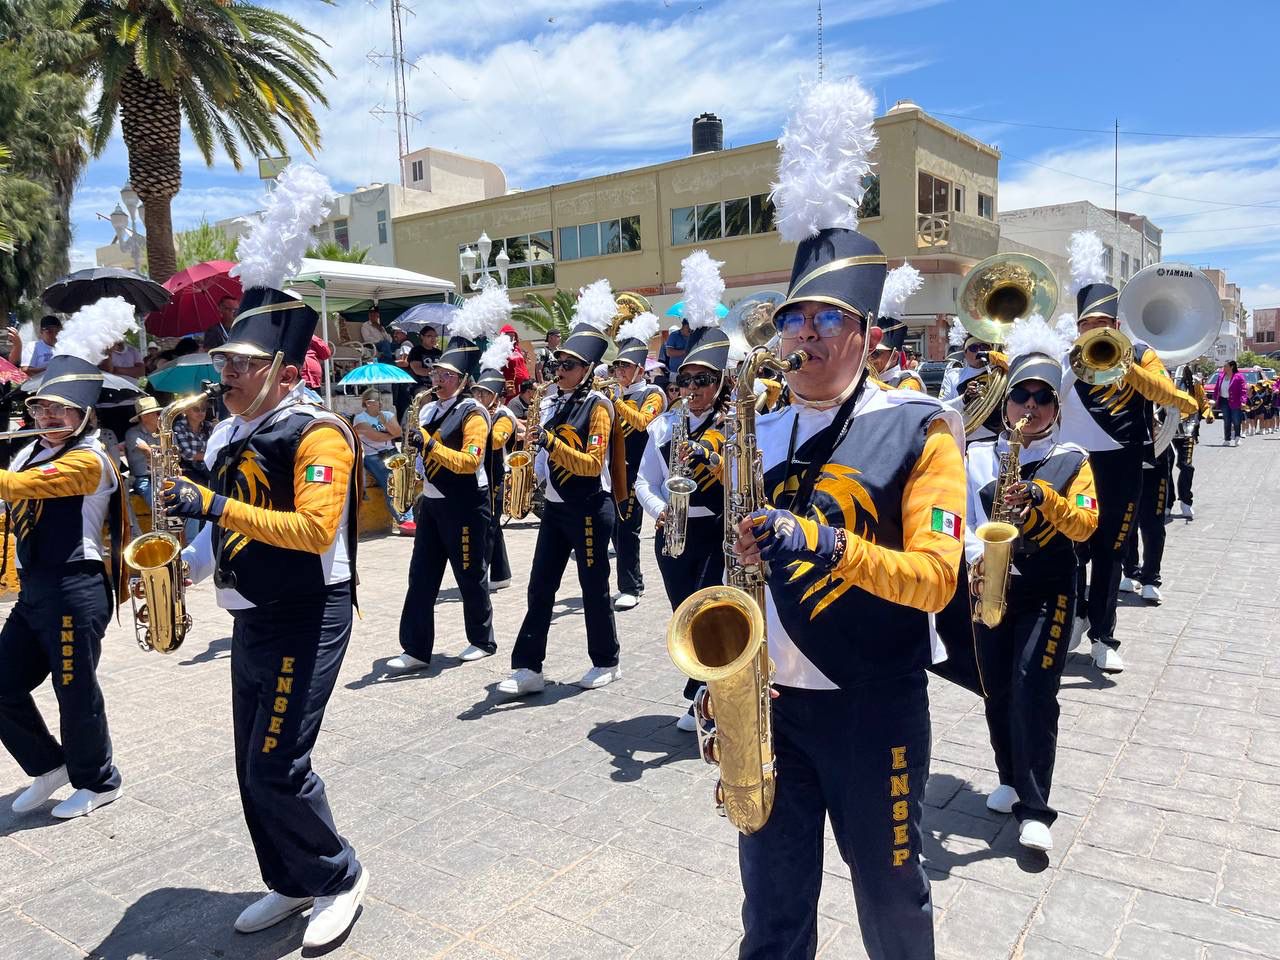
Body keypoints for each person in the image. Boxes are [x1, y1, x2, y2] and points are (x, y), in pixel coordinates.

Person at [728, 78, 965, 960]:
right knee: (771, 913)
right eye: (797, 316)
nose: (809, 334)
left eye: (832, 317)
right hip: (771, 705)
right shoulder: (756, 425)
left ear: (866, 332)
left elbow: (937, 578)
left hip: (873, 705)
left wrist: (825, 543)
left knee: (891, 904)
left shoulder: (917, 425)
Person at [168, 270, 367, 948]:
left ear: (283, 371)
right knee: (249, 762)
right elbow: (217, 527)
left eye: (242, 363)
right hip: (250, 611)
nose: (225, 371)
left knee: (278, 763)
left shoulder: (321, 433)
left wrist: (216, 503)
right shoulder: (227, 434)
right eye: (224, 360)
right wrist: (188, 563)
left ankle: (339, 876)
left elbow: (314, 530)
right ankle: (292, 878)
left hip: (308, 611)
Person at [962, 317, 1098, 853]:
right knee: (996, 687)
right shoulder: (974, 456)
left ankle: (1036, 806)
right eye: (1023, 396)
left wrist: (1043, 498)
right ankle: (1010, 777)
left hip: (1049, 588)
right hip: (989, 584)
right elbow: (953, 519)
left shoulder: (1072, 461)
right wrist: (977, 553)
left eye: (1044, 399)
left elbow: (1086, 524)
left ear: (1056, 410)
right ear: (1006, 402)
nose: (1032, 407)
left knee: (1033, 689)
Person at [0, 298, 134, 821]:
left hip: (76, 585)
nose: (47, 417)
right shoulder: (33, 448)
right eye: (40, 408)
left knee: (74, 689)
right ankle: (49, 764)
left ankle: (99, 779)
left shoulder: (90, 458)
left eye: (60, 410)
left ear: (84, 415)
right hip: (35, 586)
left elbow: (20, 487)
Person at [1060, 270, 1197, 673]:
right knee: (1072, 550)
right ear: (1077, 327)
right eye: (1086, 326)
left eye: (1102, 326)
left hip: (1122, 464)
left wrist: (1124, 365)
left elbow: (1177, 399)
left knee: (1110, 551)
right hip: (1076, 466)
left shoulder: (1141, 354)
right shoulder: (1064, 357)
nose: (1093, 333)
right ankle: (1079, 615)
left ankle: (1103, 637)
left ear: (1116, 327)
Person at [501, 280, 621, 696]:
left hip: (589, 505)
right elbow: (541, 455)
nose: (559, 371)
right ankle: (528, 667)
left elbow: (591, 465)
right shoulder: (550, 402)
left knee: (593, 586)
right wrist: (528, 467)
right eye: (557, 363)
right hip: (554, 508)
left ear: (587, 370)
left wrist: (549, 442)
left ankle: (606, 660)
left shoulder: (599, 407)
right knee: (540, 586)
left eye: (568, 365)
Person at [386, 289, 505, 673]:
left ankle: (481, 640)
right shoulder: (429, 406)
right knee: (420, 577)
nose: (437, 378)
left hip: (466, 502)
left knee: (470, 575)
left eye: (446, 374)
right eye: (436, 372)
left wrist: (430, 445)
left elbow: (470, 462)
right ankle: (416, 648)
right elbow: (420, 450)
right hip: (433, 503)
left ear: (463, 379)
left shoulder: (473, 412)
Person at [634, 310, 729, 732]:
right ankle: (702, 693)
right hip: (673, 530)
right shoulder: (663, 426)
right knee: (683, 614)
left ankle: (705, 699)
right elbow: (643, 481)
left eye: (702, 380)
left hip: (715, 530)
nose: (692, 389)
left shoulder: (735, 424)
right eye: (685, 380)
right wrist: (658, 511)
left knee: (706, 611)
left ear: (720, 383)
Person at [608, 310, 666, 611]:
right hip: (614, 469)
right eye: (617, 366)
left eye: (625, 367)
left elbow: (643, 422)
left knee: (628, 529)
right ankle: (629, 580)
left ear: (640, 370)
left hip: (640, 471)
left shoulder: (652, 393)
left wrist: (615, 401)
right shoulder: (615, 395)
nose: (619, 372)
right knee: (618, 529)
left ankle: (631, 586)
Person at [471, 342, 520, 590]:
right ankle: (501, 575)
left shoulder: (504, 415)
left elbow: (498, 439)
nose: (479, 398)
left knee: (489, 525)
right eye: (477, 393)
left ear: (498, 397)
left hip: (498, 476)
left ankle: (483, 575)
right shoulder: (478, 413)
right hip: (481, 476)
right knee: (492, 526)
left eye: (485, 394)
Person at [351, 388, 414, 534]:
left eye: (380, 399)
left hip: (392, 452)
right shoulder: (360, 419)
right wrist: (389, 435)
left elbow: (398, 433)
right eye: (376, 400)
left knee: (405, 480)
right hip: (374, 455)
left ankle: (409, 517)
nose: (380, 403)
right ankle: (403, 520)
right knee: (390, 481)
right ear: (367, 403)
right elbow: (375, 437)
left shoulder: (387, 415)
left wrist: (384, 423)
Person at [868, 264, 925, 391]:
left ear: (894, 356)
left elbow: (899, 401)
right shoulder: (865, 380)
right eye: (867, 352)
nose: (869, 358)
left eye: (876, 353)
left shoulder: (909, 379)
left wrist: (866, 381)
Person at [1171, 367, 1212, 519]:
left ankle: (1186, 502)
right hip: (1163, 428)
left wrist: (1208, 413)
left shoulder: (1193, 382)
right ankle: (1166, 503)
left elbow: (1202, 401)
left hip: (1187, 427)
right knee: (1164, 467)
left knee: (1186, 466)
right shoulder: (1159, 374)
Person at [124, 396, 163, 535]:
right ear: (145, 417)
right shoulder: (132, 433)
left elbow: (177, 453)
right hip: (143, 478)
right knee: (157, 502)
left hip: (164, 476)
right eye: (156, 413)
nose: (159, 416)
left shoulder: (166, 432)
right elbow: (148, 451)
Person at [495, 324, 530, 400]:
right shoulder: (500, 351)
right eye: (509, 336)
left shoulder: (517, 349)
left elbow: (522, 365)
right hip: (511, 386)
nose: (512, 338)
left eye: (513, 335)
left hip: (524, 385)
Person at [1217, 360, 1246, 446]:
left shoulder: (1239, 377)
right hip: (1224, 401)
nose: (1224, 368)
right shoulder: (1221, 376)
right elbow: (1217, 389)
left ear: (1231, 367)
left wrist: (1243, 401)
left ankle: (1237, 437)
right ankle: (1227, 439)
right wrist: (1215, 400)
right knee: (1226, 420)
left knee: (1236, 420)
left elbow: (1243, 390)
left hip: (1235, 401)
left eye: (1225, 366)